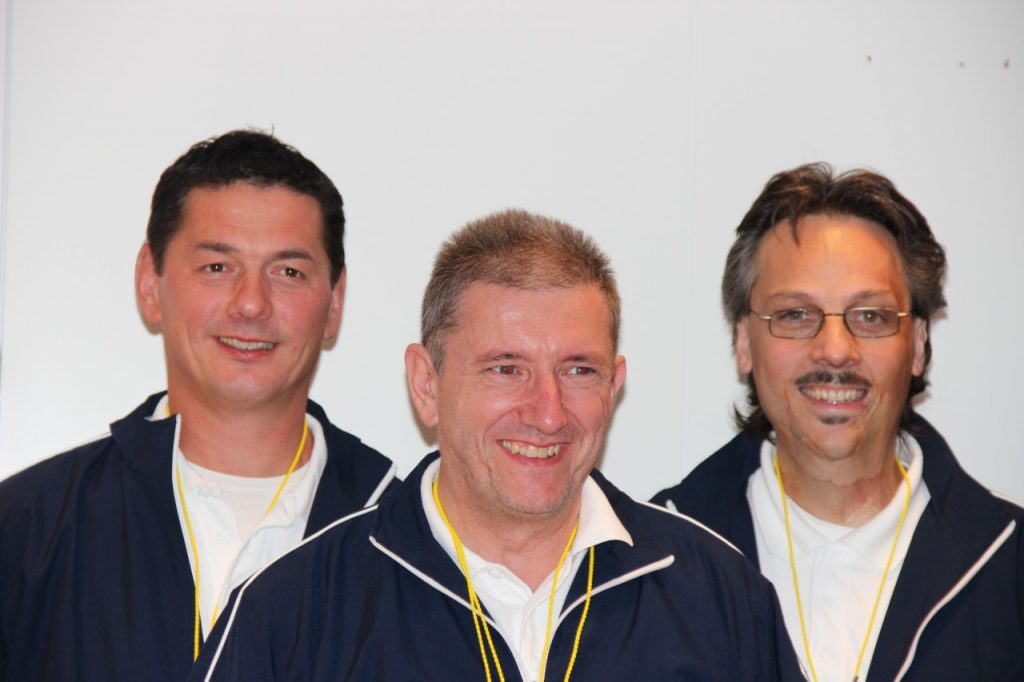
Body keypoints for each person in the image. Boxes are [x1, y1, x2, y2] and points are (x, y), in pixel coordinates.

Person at [189, 208, 802, 681]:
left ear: (614, 386)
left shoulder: (718, 594)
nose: (547, 413)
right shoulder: (297, 611)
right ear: (426, 385)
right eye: (506, 369)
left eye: (578, 370)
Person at [0, 130, 397, 681]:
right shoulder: (25, 529)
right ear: (149, 282)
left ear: (334, 303)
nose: (251, 304)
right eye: (217, 267)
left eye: (288, 272)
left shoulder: (410, 541)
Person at [653, 163, 1024, 681]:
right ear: (743, 342)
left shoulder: (1010, 564)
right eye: (795, 314)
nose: (834, 350)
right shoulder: (655, 561)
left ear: (918, 344)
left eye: (870, 316)